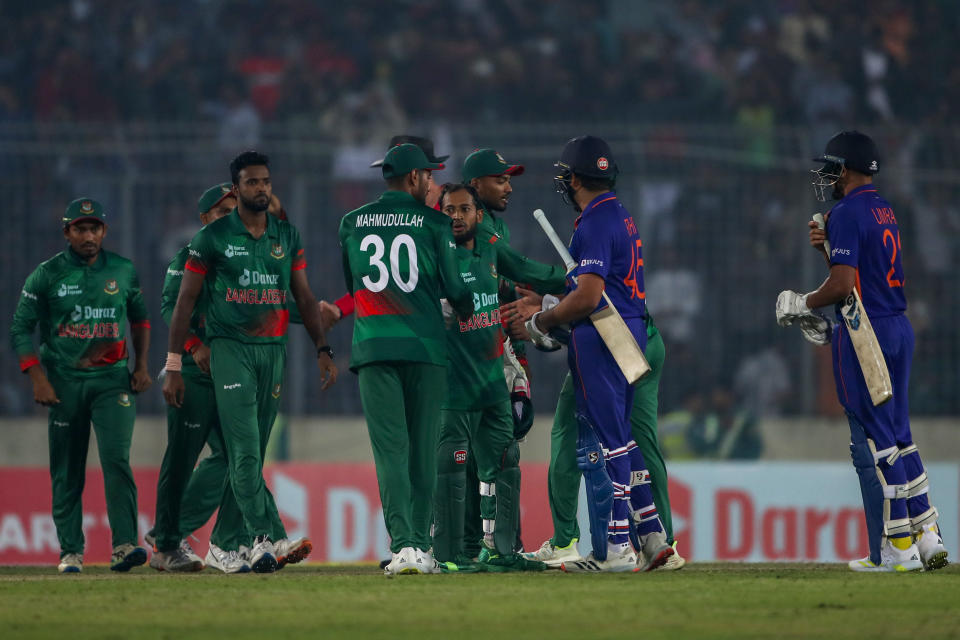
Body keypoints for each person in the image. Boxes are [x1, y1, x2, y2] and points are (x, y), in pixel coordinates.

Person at [776, 130, 948, 572]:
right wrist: (831, 251)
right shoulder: (883, 208)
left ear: (848, 169)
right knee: (901, 435)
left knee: (879, 442)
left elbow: (844, 286)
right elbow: (862, 272)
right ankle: (928, 536)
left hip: (865, 332)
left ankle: (898, 548)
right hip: (897, 326)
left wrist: (803, 302)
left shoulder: (847, 211)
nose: (828, 175)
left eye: (832, 167)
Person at [162, 151, 337, 574]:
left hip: (273, 352)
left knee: (252, 454)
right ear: (237, 188)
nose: (261, 188)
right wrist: (174, 363)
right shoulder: (211, 239)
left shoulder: (286, 236)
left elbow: (302, 297)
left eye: (266, 181)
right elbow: (183, 302)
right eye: (252, 182)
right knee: (242, 451)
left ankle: (225, 547)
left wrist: (322, 348)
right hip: (230, 350)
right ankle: (267, 537)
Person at [506, 136, 673, 572]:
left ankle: (618, 548)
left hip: (601, 336)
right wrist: (548, 299)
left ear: (576, 178)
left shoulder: (594, 222)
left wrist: (540, 321)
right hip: (632, 329)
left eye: (566, 174)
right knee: (624, 437)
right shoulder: (621, 214)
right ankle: (652, 535)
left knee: (610, 440)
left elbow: (588, 297)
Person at [339, 143, 473, 575]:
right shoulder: (436, 223)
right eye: (430, 176)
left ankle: (403, 548)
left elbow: (355, 285)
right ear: (414, 178)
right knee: (421, 451)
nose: (434, 184)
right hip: (425, 348)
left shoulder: (351, 222)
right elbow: (456, 291)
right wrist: (469, 304)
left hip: (374, 348)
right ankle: (420, 545)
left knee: (390, 452)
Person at [10, 198, 152, 573]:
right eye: (80, 229)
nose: (88, 236)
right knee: (67, 469)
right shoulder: (47, 274)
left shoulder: (122, 270)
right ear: (66, 232)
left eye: (94, 229)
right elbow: (19, 328)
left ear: (104, 231)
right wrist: (37, 377)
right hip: (64, 383)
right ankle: (70, 552)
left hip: (112, 381)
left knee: (116, 460)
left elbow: (140, 319)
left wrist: (142, 365)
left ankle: (124, 545)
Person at [433, 183, 564, 572]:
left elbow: (527, 272)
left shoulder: (491, 249)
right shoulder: (433, 258)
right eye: (449, 210)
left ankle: (503, 549)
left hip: (492, 381)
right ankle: (450, 555)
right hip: (453, 384)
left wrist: (574, 278)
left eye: (463, 209)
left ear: (477, 215)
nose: (456, 216)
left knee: (506, 460)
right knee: (452, 464)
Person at [508, 299, 686, 570]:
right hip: (644, 338)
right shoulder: (623, 258)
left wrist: (542, 317)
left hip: (613, 345)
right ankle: (662, 542)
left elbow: (588, 298)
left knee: (572, 435)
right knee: (637, 439)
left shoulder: (585, 263)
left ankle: (566, 542)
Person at [461, 147, 532, 557]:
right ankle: (467, 543)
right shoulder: (459, 230)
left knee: (497, 451)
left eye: (509, 180)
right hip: (466, 357)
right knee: (470, 454)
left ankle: (499, 543)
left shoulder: (497, 232)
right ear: (476, 185)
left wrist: (520, 359)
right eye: (500, 180)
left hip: (496, 353)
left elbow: (509, 303)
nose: (508, 188)